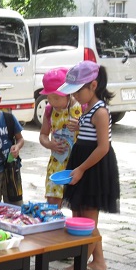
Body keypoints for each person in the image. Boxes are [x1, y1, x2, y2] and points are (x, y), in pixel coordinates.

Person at [51, 61, 120, 270]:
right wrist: (79, 127)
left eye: (78, 91)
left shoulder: (100, 111)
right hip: (82, 162)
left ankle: (78, 267)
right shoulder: (86, 108)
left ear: (93, 85)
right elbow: (89, 134)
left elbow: (103, 147)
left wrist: (80, 169)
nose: (75, 96)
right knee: (79, 216)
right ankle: (98, 262)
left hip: (93, 167)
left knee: (88, 221)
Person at [39, 68, 84, 207]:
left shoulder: (82, 106)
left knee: (78, 204)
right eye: (49, 97)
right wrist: (49, 144)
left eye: (56, 97)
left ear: (68, 93)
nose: (52, 102)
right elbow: (43, 135)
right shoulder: (49, 110)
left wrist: (80, 126)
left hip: (78, 162)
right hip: (57, 162)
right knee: (52, 202)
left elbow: (94, 132)